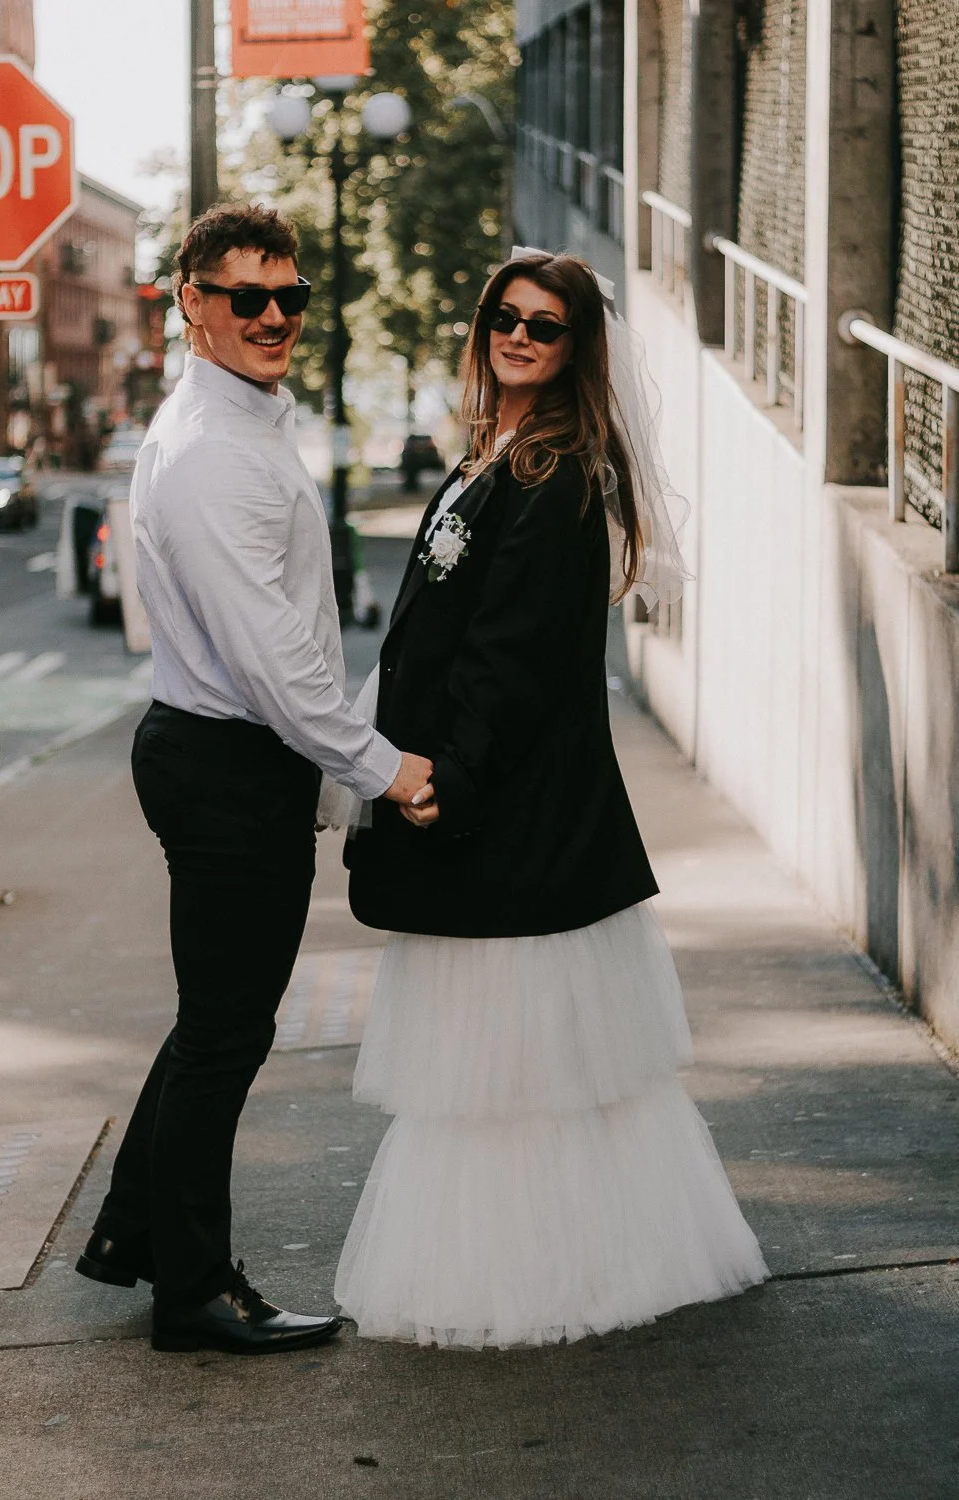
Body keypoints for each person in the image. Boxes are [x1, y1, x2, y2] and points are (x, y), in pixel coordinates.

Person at [334, 251, 768, 1349]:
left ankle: (549, 1280)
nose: (519, 336)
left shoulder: (556, 474)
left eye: (547, 324)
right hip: (485, 803)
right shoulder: (492, 455)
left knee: (515, 1067)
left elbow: (511, 660)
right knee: (503, 1070)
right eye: (504, 317)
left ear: (576, 348)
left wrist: (447, 783)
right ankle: (553, 1264)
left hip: (513, 815)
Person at [75, 204, 433, 1356]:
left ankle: (137, 1238)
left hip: (226, 759)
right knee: (228, 1035)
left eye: (290, 297)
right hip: (227, 767)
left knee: (211, 1024)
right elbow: (272, 661)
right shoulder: (212, 455)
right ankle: (193, 1291)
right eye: (247, 297)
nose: (275, 316)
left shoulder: (242, 424)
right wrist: (379, 771)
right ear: (191, 302)